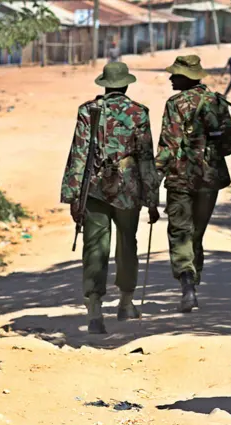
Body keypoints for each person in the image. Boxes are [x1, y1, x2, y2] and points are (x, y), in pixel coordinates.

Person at [61, 61, 161, 334]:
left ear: (104, 85)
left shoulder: (89, 111)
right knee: (127, 244)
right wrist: (152, 198)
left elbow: (79, 154)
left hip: (94, 190)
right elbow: (145, 158)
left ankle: (94, 310)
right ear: (126, 85)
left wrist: (72, 196)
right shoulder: (138, 113)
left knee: (94, 246)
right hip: (128, 191)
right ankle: (126, 303)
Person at [156, 55, 231, 312]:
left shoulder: (174, 104)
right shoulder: (216, 102)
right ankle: (192, 281)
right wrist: (211, 146)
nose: (171, 78)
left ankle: (187, 284)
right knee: (196, 233)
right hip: (209, 180)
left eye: (176, 74)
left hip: (180, 179)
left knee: (180, 230)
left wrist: (153, 177)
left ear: (187, 77)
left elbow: (168, 146)